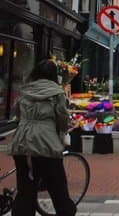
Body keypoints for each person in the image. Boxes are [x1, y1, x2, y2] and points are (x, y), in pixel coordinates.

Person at [9, 59, 77, 216]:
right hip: (46, 144)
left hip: (22, 144)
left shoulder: (25, 91)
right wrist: (66, 126)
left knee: (25, 190)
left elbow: (17, 114)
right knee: (58, 188)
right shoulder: (56, 93)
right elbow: (62, 118)